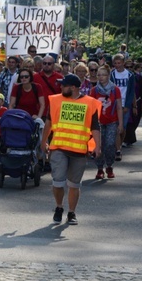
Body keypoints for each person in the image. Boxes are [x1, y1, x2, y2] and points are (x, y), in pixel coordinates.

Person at [40, 74, 101, 225]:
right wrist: (43, 142)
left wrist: (98, 146)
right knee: (58, 182)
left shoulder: (90, 103)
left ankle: (72, 213)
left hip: (79, 151)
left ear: (73, 88)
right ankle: (59, 207)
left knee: (74, 185)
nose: (61, 87)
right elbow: (48, 123)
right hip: (59, 148)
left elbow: (95, 127)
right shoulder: (56, 100)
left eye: (64, 85)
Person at [89, 66, 124, 180]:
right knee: (99, 145)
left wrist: (121, 124)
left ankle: (109, 165)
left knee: (109, 144)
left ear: (108, 76)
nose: (101, 77)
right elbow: (90, 107)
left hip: (112, 121)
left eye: (103, 75)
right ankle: (99, 168)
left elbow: (119, 107)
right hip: (98, 123)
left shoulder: (115, 89)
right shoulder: (94, 90)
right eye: (99, 75)